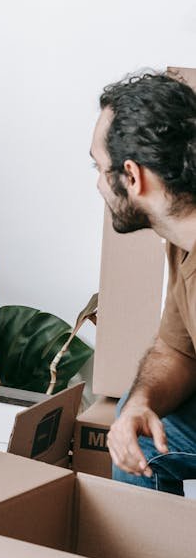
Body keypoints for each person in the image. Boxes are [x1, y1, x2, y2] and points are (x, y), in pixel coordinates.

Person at [89, 71, 196, 494]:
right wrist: (139, 404)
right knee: (136, 435)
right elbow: (176, 347)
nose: (98, 183)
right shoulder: (181, 238)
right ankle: (143, 557)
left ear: (132, 177)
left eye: (100, 168)